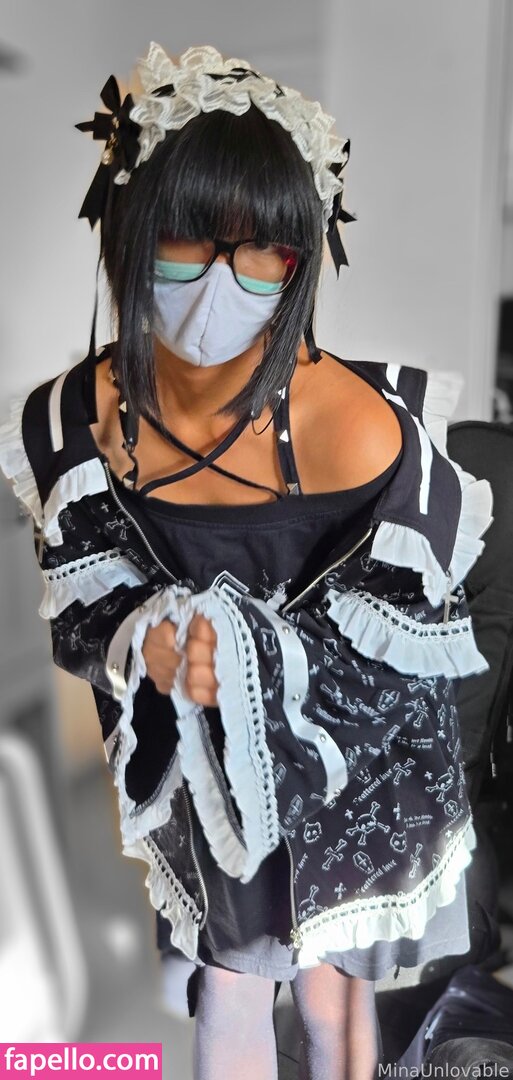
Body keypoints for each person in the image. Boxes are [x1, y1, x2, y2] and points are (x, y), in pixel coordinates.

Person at [0, 43, 494, 1080]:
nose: (221, 281)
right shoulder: (76, 419)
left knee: (329, 991)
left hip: (353, 754)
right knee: (226, 984)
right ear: (130, 232)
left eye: (262, 250)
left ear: (299, 261)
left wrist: (246, 654)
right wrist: (145, 639)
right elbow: (84, 600)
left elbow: (410, 653)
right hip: (214, 757)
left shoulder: (356, 431)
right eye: (187, 238)